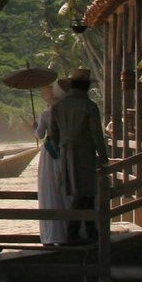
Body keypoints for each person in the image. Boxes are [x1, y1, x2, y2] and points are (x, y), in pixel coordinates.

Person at [50, 68, 108, 245]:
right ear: (87, 86)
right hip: (84, 154)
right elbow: (96, 134)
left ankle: (87, 231)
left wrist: (60, 150)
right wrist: (103, 156)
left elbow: (53, 134)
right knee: (84, 193)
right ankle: (77, 232)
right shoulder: (89, 106)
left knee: (80, 194)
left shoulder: (58, 106)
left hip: (66, 154)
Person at [34, 81, 69, 247]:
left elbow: (39, 134)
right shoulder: (66, 112)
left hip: (50, 154)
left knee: (49, 191)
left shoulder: (46, 114)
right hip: (66, 152)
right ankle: (70, 232)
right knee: (65, 191)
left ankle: (53, 234)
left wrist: (34, 127)